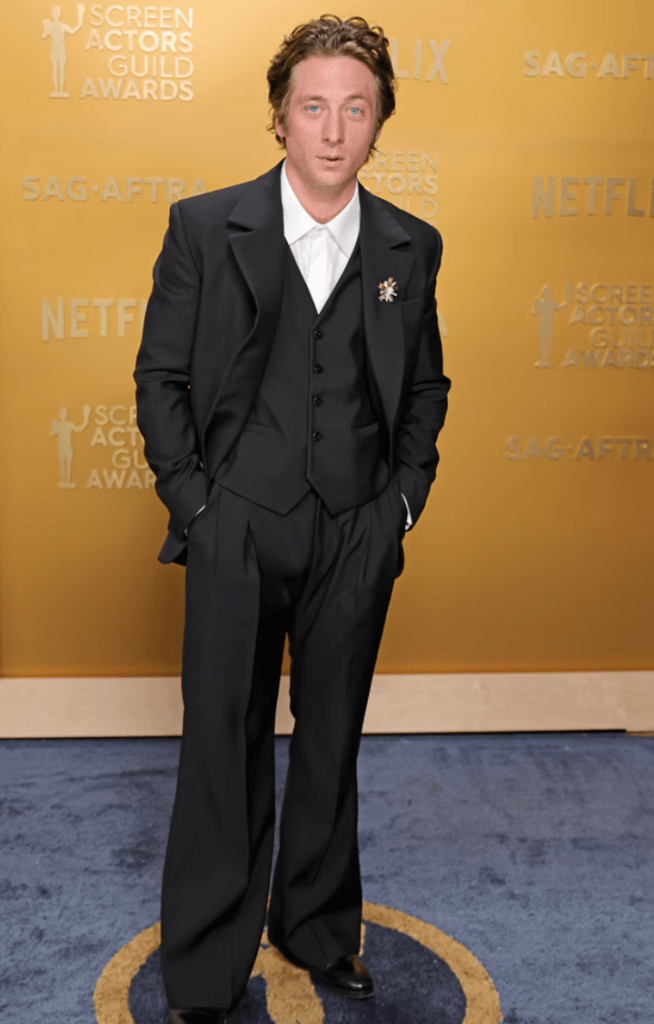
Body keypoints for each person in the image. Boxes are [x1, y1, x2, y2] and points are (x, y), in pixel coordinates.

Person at [134, 15, 450, 1024]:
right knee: (220, 743)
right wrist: (197, 503)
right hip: (236, 523)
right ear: (280, 116)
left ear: (379, 122)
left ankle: (316, 926)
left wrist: (400, 504)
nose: (333, 129)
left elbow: (426, 388)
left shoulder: (411, 245)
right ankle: (204, 967)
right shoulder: (203, 226)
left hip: (356, 527)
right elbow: (160, 377)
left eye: (356, 108)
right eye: (314, 106)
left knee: (330, 740)